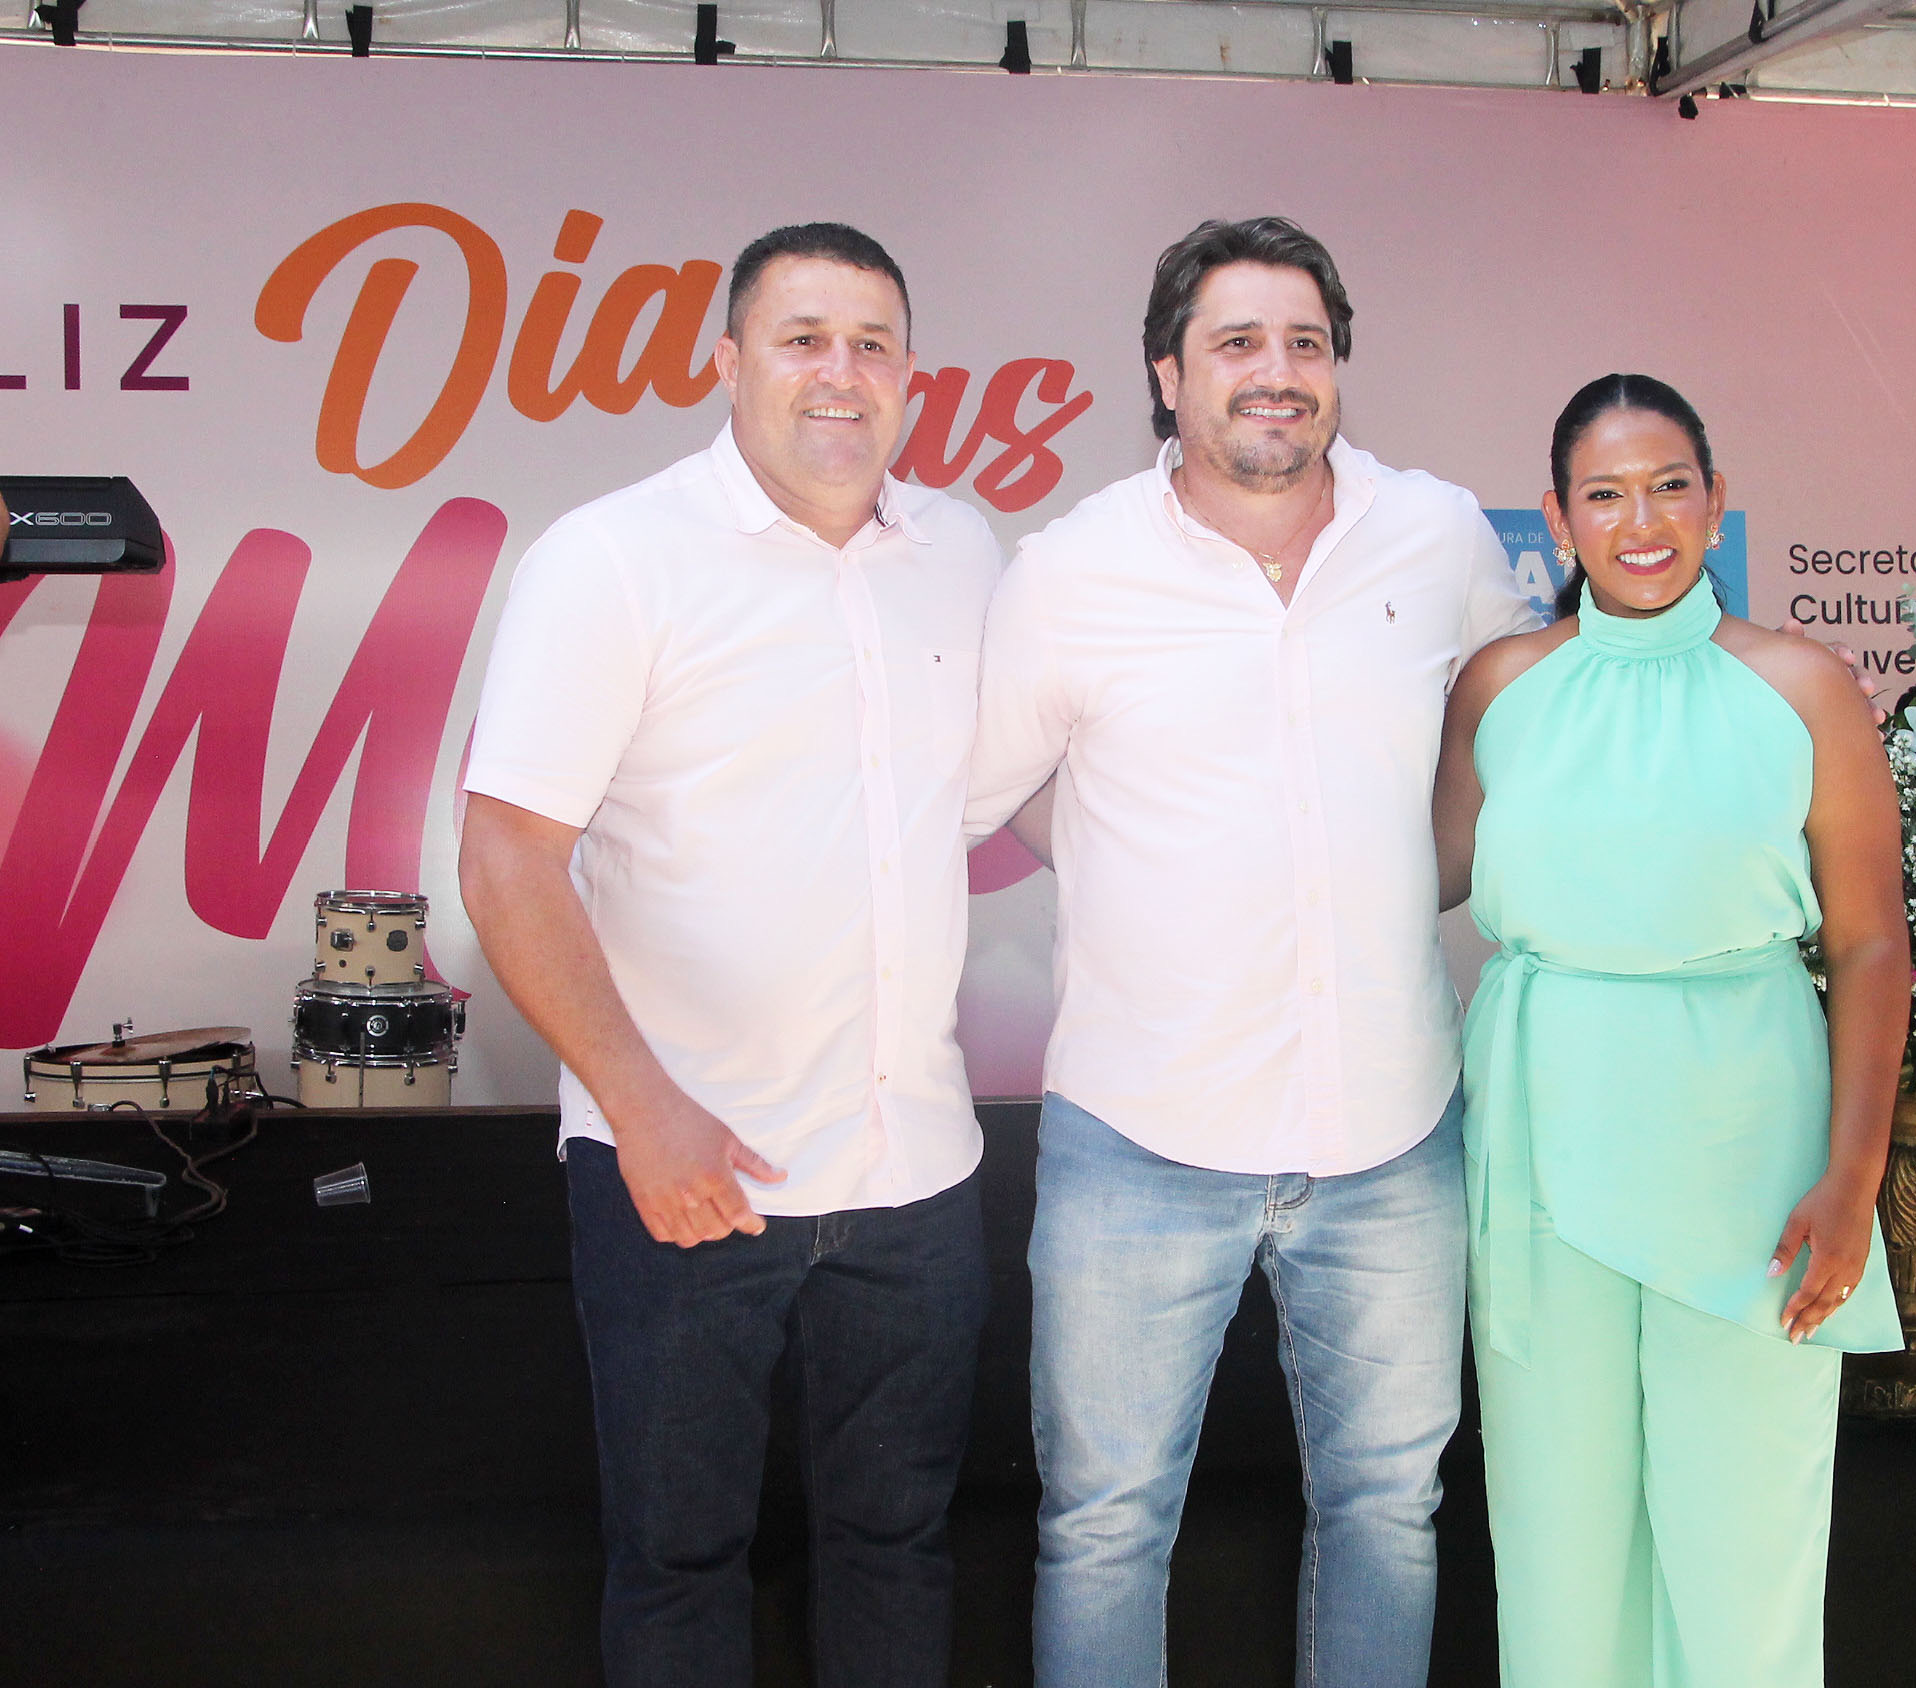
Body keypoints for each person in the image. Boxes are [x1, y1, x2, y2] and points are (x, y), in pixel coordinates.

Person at [964, 216, 1539, 1688]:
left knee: (1388, 1511)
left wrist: (1394, 873)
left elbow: (1508, 733)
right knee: (1104, 1526)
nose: (1274, 371)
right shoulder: (1071, 570)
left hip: (1390, 1128)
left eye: (1304, 342)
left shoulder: (1437, 536)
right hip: (1139, 1131)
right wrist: (1132, 860)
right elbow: (985, 786)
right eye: (1235, 342)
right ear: (1167, 375)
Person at [457, 223, 1000, 1688]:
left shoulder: (961, 552)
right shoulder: (613, 558)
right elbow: (507, 855)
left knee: (898, 1549)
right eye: (801, 338)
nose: (840, 373)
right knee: (679, 1562)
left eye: (872, 345)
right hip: (689, 1172)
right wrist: (643, 1108)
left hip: (913, 1173)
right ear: (727, 361)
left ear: (912, 377)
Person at [1430, 375, 1911, 1688]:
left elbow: (1870, 944)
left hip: (1748, 1147)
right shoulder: (1500, 686)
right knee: (1558, 1530)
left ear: (1714, 501)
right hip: (1543, 1136)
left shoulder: (1802, 685)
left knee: (1743, 1536)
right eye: (1604, 494)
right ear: (1556, 520)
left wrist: (1853, 1177)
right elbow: (1411, 876)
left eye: (1668, 487)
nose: (1639, 522)